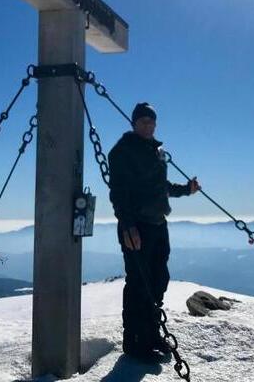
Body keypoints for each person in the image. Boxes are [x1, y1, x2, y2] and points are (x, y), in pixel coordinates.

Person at [108, 102, 201, 362]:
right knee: (139, 283)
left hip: (158, 224)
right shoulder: (123, 151)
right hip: (136, 227)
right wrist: (128, 226)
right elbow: (118, 192)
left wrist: (186, 189)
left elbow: (162, 186)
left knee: (158, 280)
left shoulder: (157, 151)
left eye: (152, 121)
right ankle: (135, 342)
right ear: (134, 123)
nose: (148, 125)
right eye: (143, 121)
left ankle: (150, 334)